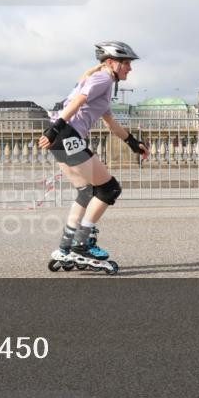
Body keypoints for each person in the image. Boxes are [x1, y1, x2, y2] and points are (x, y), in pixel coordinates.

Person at [39, 41, 149, 274]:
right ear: (111, 63)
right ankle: (82, 245)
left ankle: (66, 247)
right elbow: (78, 102)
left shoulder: (102, 84)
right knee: (109, 189)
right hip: (67, 134)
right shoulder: (103, 79)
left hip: (63, 137)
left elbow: (111, 124)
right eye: (126, 63)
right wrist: (56, 129)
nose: (130, 68)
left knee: (86, 191)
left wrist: (133, 143)